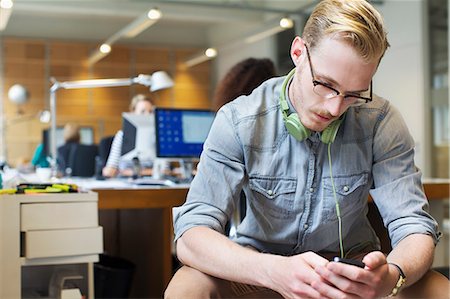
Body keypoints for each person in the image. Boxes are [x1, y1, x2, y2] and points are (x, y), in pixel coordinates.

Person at [165, 1, 449, 298]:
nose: (335, 108)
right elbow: (191, 236)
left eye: (354, 94)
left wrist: (394, 275)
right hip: (262, 268)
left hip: (349, 271)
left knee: (439, 290)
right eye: (325, 84)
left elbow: (414, 225)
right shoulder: (238, 120)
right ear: (298, 52)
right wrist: (272, 271)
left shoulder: (380, 121)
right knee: (188, 287)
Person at [102, 94, 154, 178]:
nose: (147, 115)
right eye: (143, 111)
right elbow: (110, 170)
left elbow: (164, 171)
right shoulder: (122, 136)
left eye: (150, 112)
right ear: (133, 113)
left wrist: (130, 172)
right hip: (125, 185)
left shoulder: (158, 138)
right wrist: (149, 171)